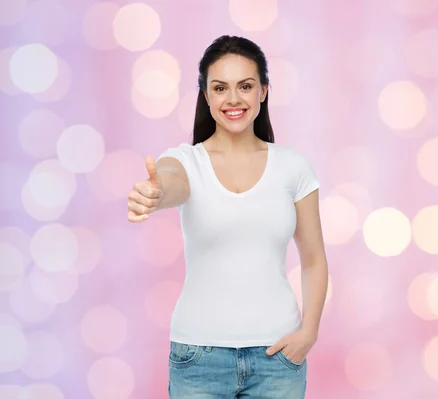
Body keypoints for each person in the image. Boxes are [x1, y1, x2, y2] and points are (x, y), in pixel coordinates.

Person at [127, 35, 328, 399]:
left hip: (278, 358)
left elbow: (313, 258)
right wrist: (154, 195)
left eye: (245, 86)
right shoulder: (187, 161)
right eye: (220, 88)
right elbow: (171, 182)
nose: (233, 99)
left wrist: (308, 333)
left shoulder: (293, 167)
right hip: (198, 358)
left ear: (264, 91)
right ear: (206, 95)